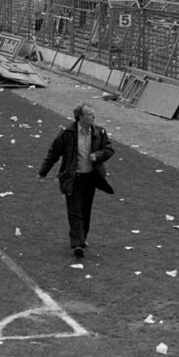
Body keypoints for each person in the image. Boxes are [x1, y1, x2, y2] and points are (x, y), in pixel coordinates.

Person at [37, 104, 114, 259]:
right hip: (73, 178)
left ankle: (82, 238)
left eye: (93, 114)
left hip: (91, 178)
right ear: (81, 117)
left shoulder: (99, 132)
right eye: (90, 115)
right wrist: (43, 172)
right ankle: (77, 244)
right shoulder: (68, 134)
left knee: (86, 210)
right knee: (74, 211)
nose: (93, 117)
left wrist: (98, 156)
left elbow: (109, 149)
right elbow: (54, 153)